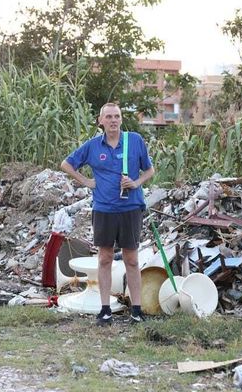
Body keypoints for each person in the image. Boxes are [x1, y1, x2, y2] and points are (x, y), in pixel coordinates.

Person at [60, 102, 155, 325]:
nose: (113, 120)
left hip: (130, 208)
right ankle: (105, 310)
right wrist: (86, 181)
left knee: (131, 260)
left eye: (117, 116)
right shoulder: (93, 146)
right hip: (104, 209)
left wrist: (136, 182)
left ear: (122, 119)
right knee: (104, 258)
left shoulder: (134, 141)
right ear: (101, 121)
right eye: (109, 117)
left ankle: (137, 310)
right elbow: (66, 164)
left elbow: (149, 170)